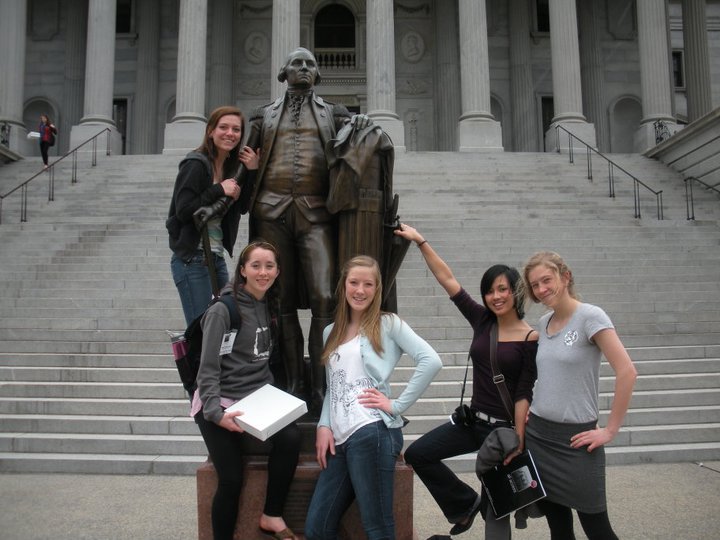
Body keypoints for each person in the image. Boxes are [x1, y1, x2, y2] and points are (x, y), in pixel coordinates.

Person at [240, 47, 372, 411]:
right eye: (296, 63)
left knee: (325, 299)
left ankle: (322, 384)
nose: (303, 68)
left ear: (317, 75)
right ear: (283, 72)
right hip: (270, 210)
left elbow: (356, 150)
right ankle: (291, 381)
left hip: (315, 214)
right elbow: (242, 169)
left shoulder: (336, 113)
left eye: (309, 64)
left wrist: (361, 126)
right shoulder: (262, 116)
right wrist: (219, 203)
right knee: (278, 302)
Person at [394, 224, 538, 538]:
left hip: (502, 433)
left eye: (502, 289)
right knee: (419, 454)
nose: (495, 296)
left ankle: (480, 509)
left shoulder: (531, 338)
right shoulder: (482, 320)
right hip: (472, 423)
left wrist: (519, 437)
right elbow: (448, 280)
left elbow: (524, 391)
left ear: (515, 292)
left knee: (496, 513)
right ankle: (463, 504)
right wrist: (421, 242)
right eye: (490, 290)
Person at [304, 255, 442, 540]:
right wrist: (323, 425)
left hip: (371, 432)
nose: (360, 290)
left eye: (368, 284)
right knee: (317, 527)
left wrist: (397, 405)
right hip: (339, 441)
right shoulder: (331, 331)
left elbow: (431, 360)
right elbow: (334, 387)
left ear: (377, 289)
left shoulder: (387, 324)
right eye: (354, 282)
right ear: (344, 286)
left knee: (377, 527)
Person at [522, 251, 637, 540]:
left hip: (578, 442)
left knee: (597, 529)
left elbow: (627, 372)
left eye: (546, 280)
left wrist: (610, 430)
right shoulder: (544, 322)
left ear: (565, 276)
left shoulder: (590, 316)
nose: (541, 289)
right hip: (539, 438)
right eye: (535, 285)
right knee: (558, 528)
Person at [192, 240, 301, 540]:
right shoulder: (223, 310)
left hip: (256, 398)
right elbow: (208, 367)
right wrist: (215, 413)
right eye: (256, 265)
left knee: (291, 438)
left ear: (278, 271)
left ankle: (271, 515)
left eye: (269, 266)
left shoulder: (269, 305)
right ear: (242, 270)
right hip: (220, 400)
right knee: (231, 478)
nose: (263, 272)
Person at [166, 106, 260, 325]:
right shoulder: (195, 164)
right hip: (192, 259)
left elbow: (243, 206)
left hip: (215, 257)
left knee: (220, 325)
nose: (230, 133)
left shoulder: (230, 168)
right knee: (201, 330)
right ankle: (192, 361)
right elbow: (183, 209)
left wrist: (252, 170)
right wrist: (219, 189)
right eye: (223, 127)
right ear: (210, 131)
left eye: (236, 129)